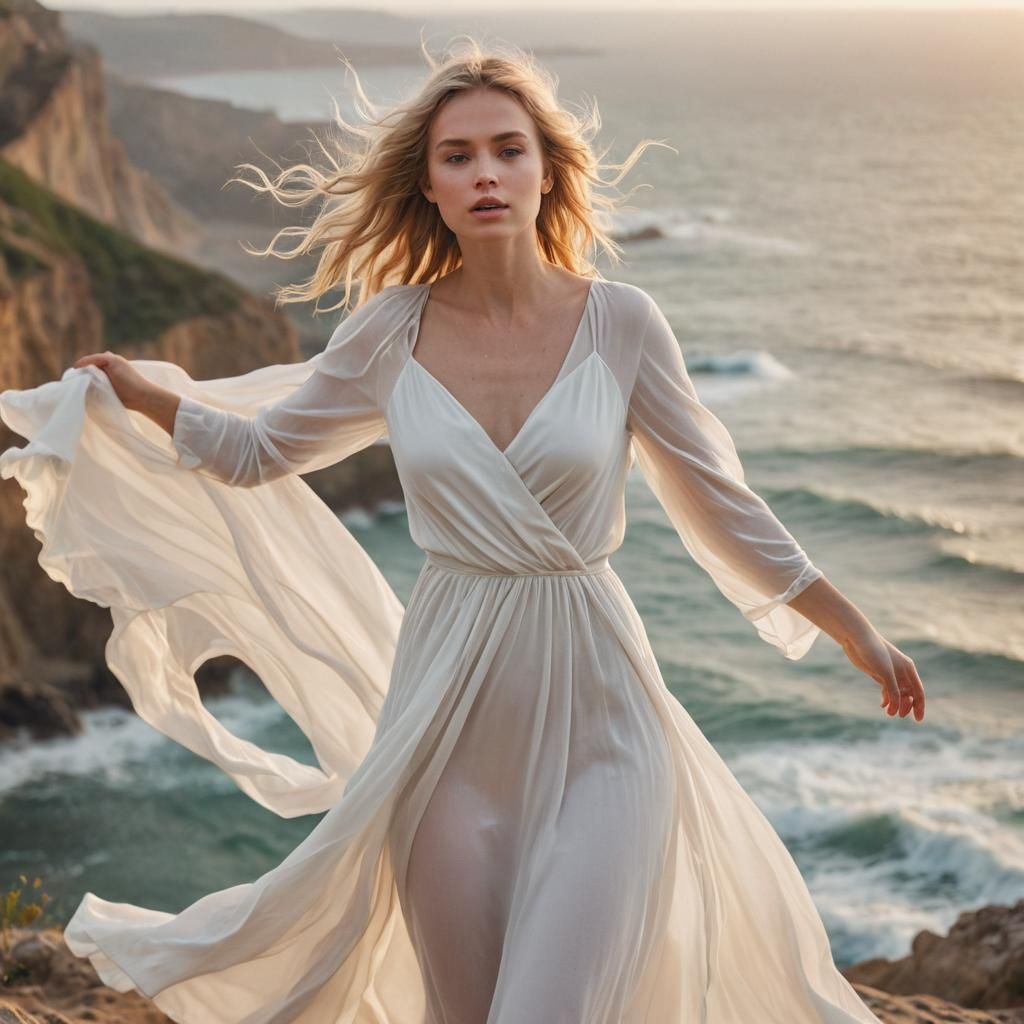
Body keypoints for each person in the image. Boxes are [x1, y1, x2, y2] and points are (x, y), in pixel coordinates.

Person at [0, 37, 924, 1024]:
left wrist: (852, 628)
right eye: (457, 155)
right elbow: (260, 452)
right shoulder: (390, 330)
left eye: (508, 149)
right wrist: (144, 398)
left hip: (603, 726)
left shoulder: (623, 323)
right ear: (429, 185)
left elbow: (723, 502)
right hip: (443, 730)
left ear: (547, 170)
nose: (485, 171)